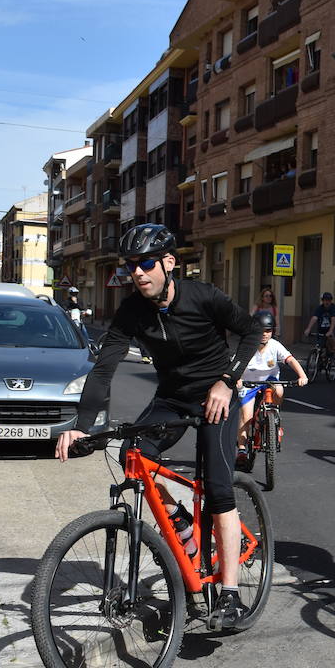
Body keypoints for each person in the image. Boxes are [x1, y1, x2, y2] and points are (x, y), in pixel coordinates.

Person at [55, 223, 263, 630]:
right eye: (131, 265)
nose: (137, 272)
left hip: (214, 396)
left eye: (146, 263)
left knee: (219, 490)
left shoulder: (203, 296)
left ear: (169, 263)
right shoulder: (131, 311)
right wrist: (81, 425)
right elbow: (104, 370)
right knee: (132, 455)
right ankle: (181, 522)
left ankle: (231, 595)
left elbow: (251, 330)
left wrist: (228, 381)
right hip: (171, 396)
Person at [237, 311, 307, 465]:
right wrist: (238, 379)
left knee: (279, 389)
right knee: (246, 417)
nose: (264, 334)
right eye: (261, 330)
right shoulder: (248, 344)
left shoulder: (275, 345)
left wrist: (302, 376)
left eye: (268, 330)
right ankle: (241, 449)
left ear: (272, 331)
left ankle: (273, 417)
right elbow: (237, 364)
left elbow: (291, 360)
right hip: (249, 382)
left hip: (269, 380)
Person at [302, 292, 335, 358]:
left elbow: (333, 319)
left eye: (329, 300)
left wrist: (331, 331)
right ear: (322, 301)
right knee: (320, 345)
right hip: (322, 330)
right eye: (325, 300)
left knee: (330, 337)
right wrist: (308, 329)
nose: (327, 302)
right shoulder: (320, 308)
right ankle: (321, 359)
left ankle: (334, 349)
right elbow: (314, 318)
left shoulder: (334, 308)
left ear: (331, 301)